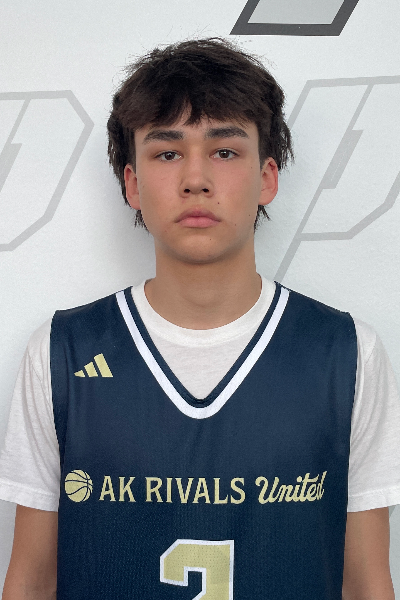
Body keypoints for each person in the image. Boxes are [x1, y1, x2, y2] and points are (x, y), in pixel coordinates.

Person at [1, 36, 400, 600]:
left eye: (224, 151)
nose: (195, 178)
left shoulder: (346, 352)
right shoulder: (62, 352)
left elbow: (366, 583)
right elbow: (30, 581)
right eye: (167, 153)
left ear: (267, 177)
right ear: (132, 183)